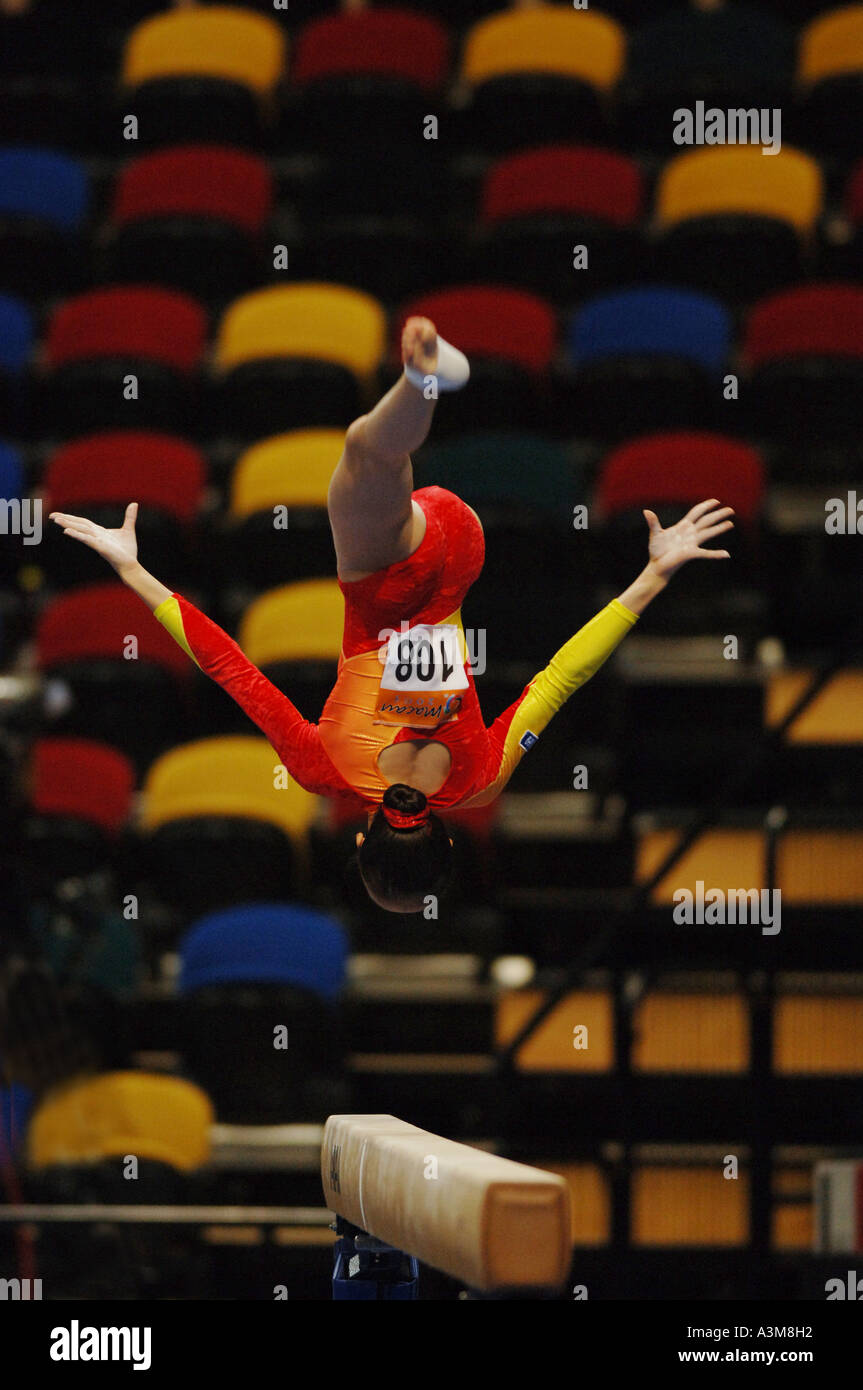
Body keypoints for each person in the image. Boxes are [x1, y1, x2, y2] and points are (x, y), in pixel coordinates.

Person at [49, 317, 735, 913]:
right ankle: (418, 379)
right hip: (380, 580)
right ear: (358, 836)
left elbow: (562, 677)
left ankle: (423, 382)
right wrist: (133, 569)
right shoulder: (324, 771)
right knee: (365, 451)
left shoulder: (480, 779)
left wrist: (653, 573)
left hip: (460, 552)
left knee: (375, 455)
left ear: (448, 841)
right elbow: (229, 668)